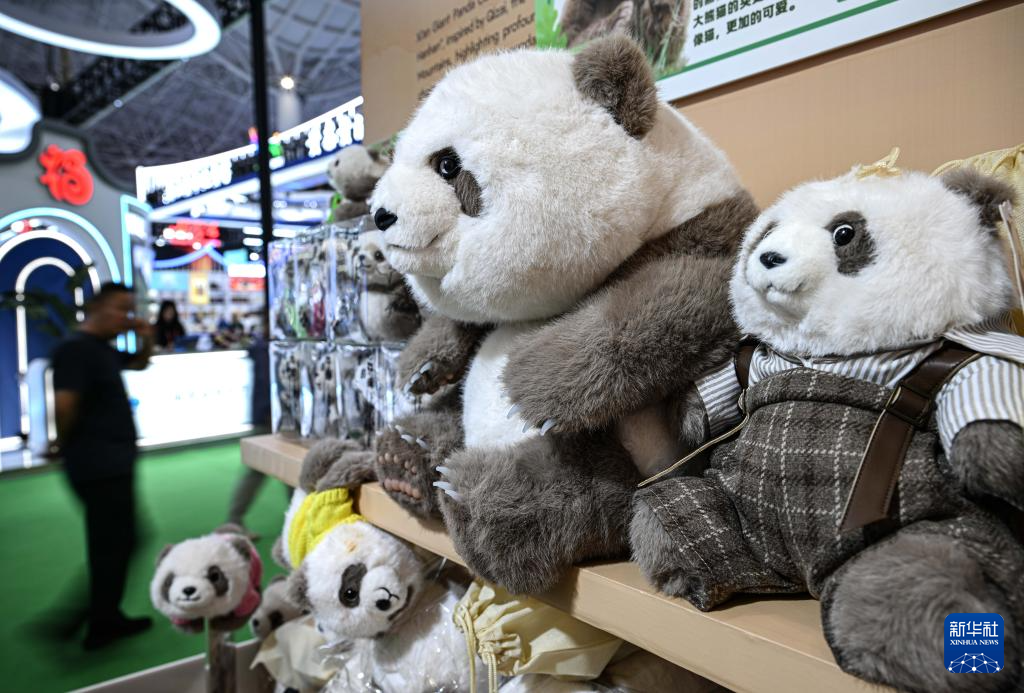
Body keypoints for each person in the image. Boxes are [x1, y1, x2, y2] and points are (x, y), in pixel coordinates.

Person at [50, 283, 154, 649]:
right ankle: (88, 621)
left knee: (114, 542)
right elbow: (65, 405)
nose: (126, 317)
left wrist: (146, 336)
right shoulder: (76, 350)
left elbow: (139, 363)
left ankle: (101, 618)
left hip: (110, 462)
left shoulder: (101, 349)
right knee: (116, 541)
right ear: (97, 307)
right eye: (121, 309)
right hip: (98, 464)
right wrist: (62, 443)